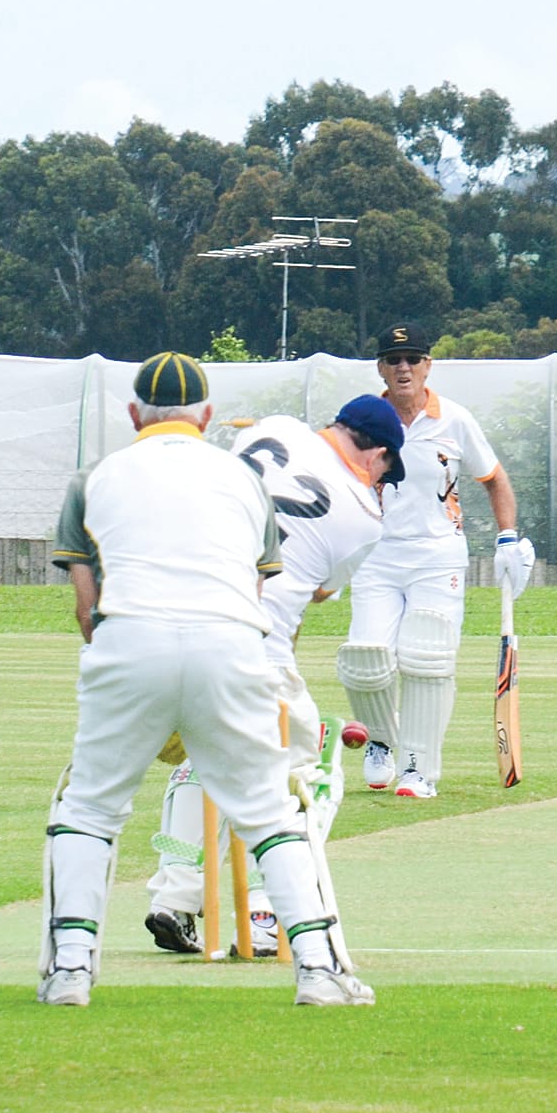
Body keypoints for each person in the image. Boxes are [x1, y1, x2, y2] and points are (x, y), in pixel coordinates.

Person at [36, 353, 394, 1008]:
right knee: (269, 808)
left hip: (129, 640)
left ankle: (70, 970)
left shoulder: (95, 478)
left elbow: (86, 609)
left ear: (132, 414)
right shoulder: (240, 480)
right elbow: (258, 588)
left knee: (87, 807)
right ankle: (317, 968)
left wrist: (144, 686)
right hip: (233, 643)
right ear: (204, 417)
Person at [142, 395, 405, 958]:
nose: (382, 482)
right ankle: (269, 913)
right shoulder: (365, 516)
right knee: (309, 764)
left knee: (201, 759)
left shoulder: (276, 427)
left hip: (169, 623)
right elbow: (315, 591)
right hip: (254, 647)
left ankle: (175, 896)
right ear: (377, 455)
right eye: (386, 471)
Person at [338, 322, 535, 799]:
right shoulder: (361, 421)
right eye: (393, 360)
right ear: (381, 368)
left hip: (437, 555)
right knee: (366, 658)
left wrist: (507, 538)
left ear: (428, 365)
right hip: (376, 556)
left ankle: (418, 768)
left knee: (426, 657)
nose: (403, 368)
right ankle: (382, 741)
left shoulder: (455, 420)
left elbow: (494, 478)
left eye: (413, 359)